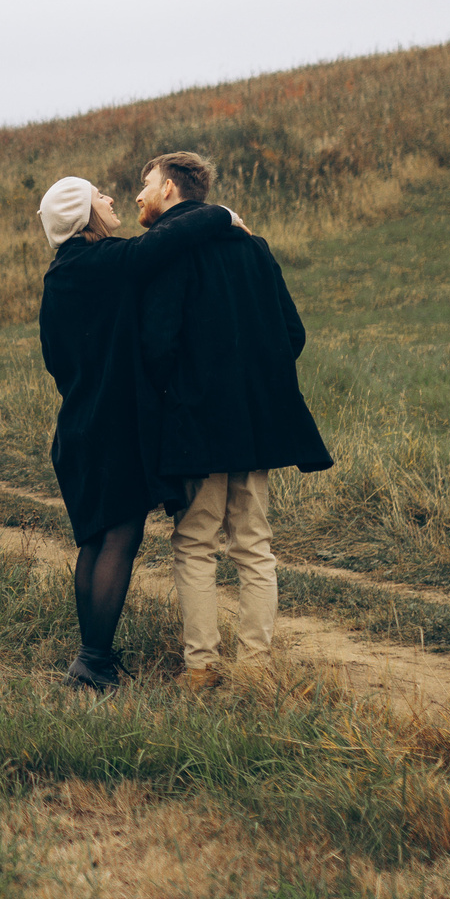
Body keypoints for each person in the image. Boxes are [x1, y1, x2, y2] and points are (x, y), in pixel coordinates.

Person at [132, 151, 333, 689]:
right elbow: (294, 334)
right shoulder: (254, 247)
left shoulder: (170, 252)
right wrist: (253, 382)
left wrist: (179, 392)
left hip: (197, 422)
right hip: (255, 423)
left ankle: (201, 667)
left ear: (171, 189)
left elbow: (156, 345)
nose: (138, 196)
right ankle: (257, 665)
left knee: (195, 541)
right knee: (254, 542)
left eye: (146, 184)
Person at [36, 175, 244, 691]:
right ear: (83, 214)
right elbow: (164, 241)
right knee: (120, 541)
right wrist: (221, 215)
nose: (109, 200)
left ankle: (90, 659)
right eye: (98, 196)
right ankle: (93, 661)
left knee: (95, 539)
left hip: (78, 425)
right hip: (113, 427)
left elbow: (54, 361)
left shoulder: (59, 276)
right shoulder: (105, 263)